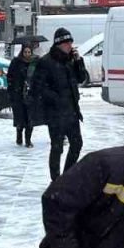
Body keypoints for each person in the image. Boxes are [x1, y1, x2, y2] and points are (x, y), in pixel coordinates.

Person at [29, 27, 90, 180]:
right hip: (55, 113)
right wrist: (56, 98)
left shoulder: (70, 60)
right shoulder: (46, 62)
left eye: (71, 43)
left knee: (77, 144)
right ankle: (56, 180)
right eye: (67, 43)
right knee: (57, 148)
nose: (70, 46)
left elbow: (81, 78)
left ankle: (67, 176)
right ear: (58, 44)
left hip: (71, 111)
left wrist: (79, 61)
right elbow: (37, 88)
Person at [7, 44, 36, 147]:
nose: (27, 54)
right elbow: (10, 76)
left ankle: (28, 140)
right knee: (20, 118)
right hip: (18, 94)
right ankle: (19, 136)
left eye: (29, 52)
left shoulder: (34, 63)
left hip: (31, 95)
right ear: (22, 52)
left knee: (30, 119)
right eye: (25, 52)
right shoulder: (16, 62)